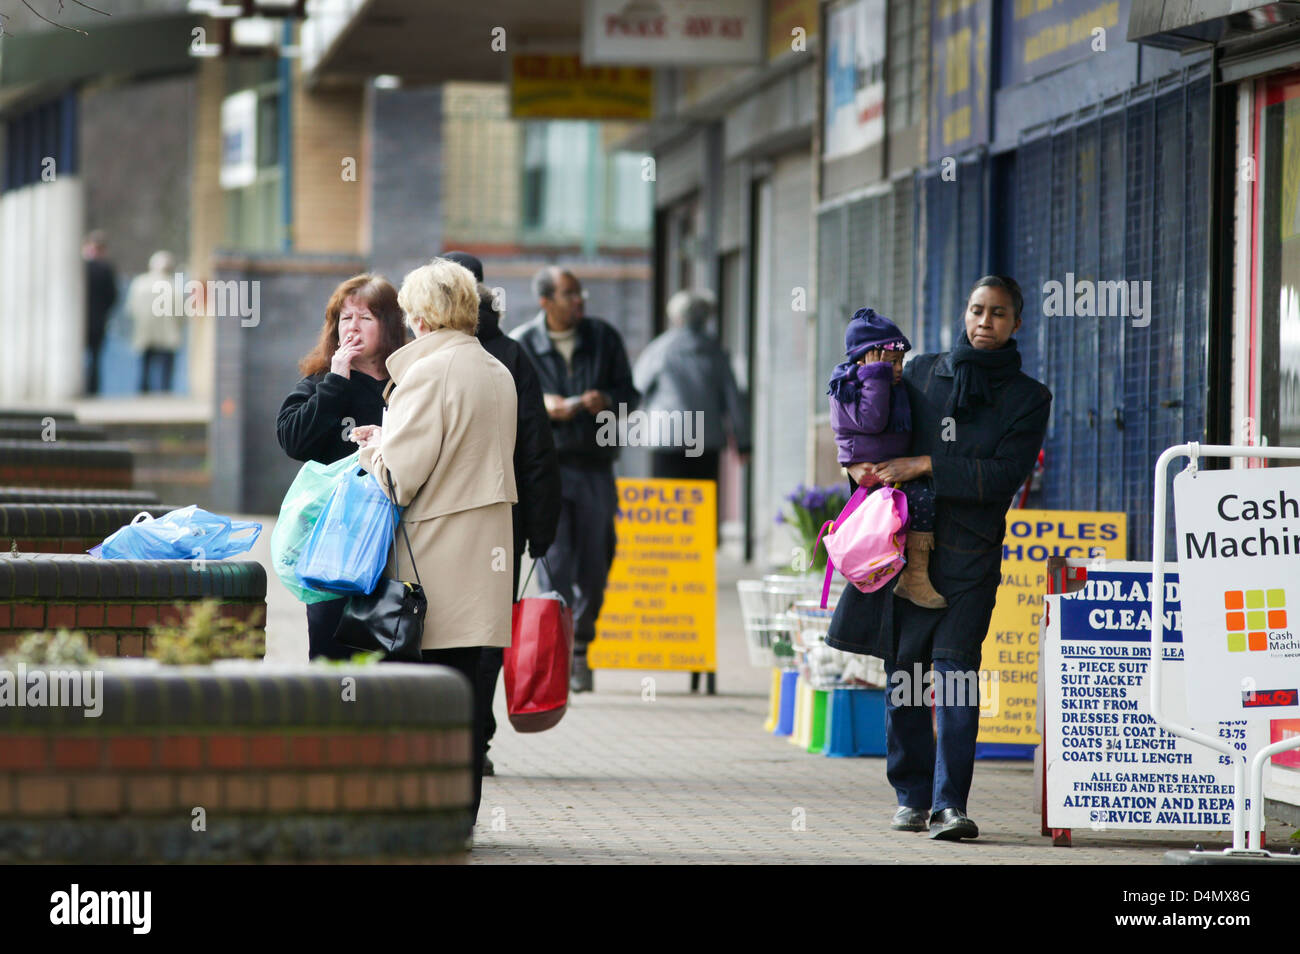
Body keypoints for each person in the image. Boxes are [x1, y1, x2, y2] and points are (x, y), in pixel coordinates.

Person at [824, 275, 1051, 842]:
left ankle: (951, 804)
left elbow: (1003, 476)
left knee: (955, 675)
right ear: (965, 313)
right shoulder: (922, 371)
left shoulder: (1029, 397)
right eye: (977, 309)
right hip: (901, 548)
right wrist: (852, 464)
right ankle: (911, 795)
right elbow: (872, 425)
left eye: (998, 313)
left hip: (970, 554)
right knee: (904, 673)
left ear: (1016, 323)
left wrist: (925, 464)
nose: (985, 321)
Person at [351, 257, 518, 830]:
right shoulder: (497, 371)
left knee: (426, 698)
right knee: (469, 700)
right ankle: (459, 821)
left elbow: (400, 475)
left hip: (435, 568)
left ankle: (422, 819)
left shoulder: (429, 372)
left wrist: (371, 445)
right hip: (485, 563)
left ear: (422, 316)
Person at [443, 250, 561, 777]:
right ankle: (475, 740)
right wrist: (540, 529)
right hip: (501, 523)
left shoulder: (421, 351)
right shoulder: (510, 355)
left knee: (435, 627)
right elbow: (536, 449)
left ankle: (448, 737)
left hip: (434, 522)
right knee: (487, 632)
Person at [509, 266, 640, 693]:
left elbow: (631, 396)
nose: (579, 300)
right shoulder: (523, 343)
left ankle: (583, 638)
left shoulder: (604, 337)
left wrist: (606, 401)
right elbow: (508, 403)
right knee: (555, 564)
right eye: (568, 294)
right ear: (545, 301)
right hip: (547, 471)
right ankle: (563, 656)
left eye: (579, 292)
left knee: (597, 562)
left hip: (596, 467)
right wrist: (543, 407)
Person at [276, 274, 407, 660]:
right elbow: (294, 442)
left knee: (391, 653)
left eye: (366, 317)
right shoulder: (322, 381)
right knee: (331, 651)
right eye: (345, 318)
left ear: (390, 324)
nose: (353, 326)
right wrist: (336, 380)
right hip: (335, 544)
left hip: (397, 544)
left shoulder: (409, 383)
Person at [827, 308, 943, 608]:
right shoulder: (849, 387)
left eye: (901, 361)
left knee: (919, 504)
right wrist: (875, 375)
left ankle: (913, 576)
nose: (899, 369)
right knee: (912, 507)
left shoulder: (895, 386)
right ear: (863, 360)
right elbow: (873, 420)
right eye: (891, 362)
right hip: (871, 475)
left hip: (890, 469)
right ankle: (901, 578)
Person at [633, 289, 750, 484]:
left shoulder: (660, 349)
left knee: (668, 503)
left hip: (667, 437)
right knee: (702, 503)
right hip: (706, 440)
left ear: (676, 317)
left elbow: (636, 388)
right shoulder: (716, 353)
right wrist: (744, 442)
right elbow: (734, 400)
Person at [126, 251, 184, 392]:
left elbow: (131, 309)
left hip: (145, 332)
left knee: (145, 367)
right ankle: (164, 394)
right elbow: (181, 313)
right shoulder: (173, 286)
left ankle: (144, 392)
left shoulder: (140, 284)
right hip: (167, 334)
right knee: (166, 371)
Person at [83, 231, 118, 395]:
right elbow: (112, 297)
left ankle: (86, 387)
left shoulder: (81, 268)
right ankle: (92, 389)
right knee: (95, 358)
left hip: (85, 321)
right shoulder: (105, 269)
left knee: (89, 358)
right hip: (97, 320)